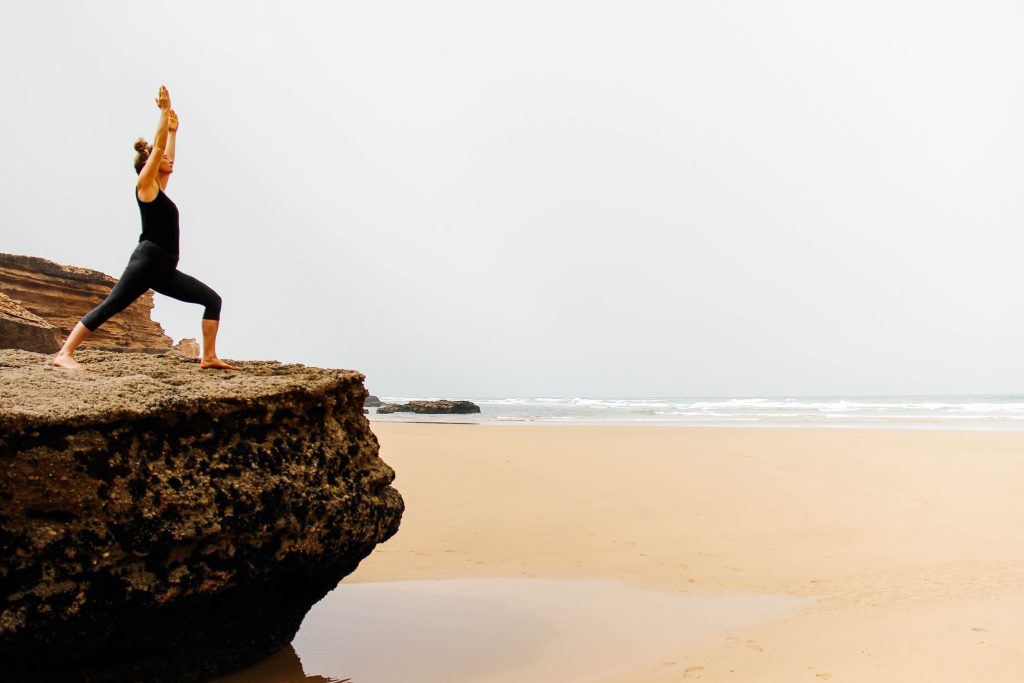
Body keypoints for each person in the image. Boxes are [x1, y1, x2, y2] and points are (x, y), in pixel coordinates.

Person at [53, 85, 235, 371]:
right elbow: (158, 148)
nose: (169, 160)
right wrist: (163, 115)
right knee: (111, 305)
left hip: (163, 269)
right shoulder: (145, 186)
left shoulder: (158, 190)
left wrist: (174, 132)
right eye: (162, 159)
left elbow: (166, 153)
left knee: (211, 299)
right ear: (150, 164)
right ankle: (64, 354)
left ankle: (208, 357)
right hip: (148, 261)